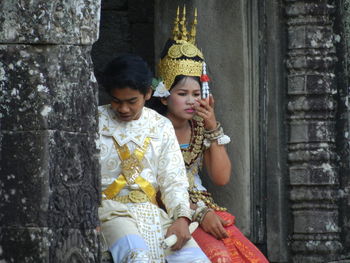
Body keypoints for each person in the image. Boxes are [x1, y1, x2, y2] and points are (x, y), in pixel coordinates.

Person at [150, 7, 269, 263]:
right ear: (163, 94)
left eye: (196, 94)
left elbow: (221, 177)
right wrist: (197, 214)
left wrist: (213, 127)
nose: (191, 102)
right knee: (219, 257)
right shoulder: (151, 129)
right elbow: (152, 188)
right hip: (167, 210)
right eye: (182, 94)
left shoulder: (200, 127)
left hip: (205, 207)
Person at [98, 53, 210, 263]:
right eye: (116, 101)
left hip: (154, 215)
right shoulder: (94, 121)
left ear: (148, 93)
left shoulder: (161, 126)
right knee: (137, 257)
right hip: (109, 213)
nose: (123, 109)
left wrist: (182, 218)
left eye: (132, 101)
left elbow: (173, 180)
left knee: (195, 260)